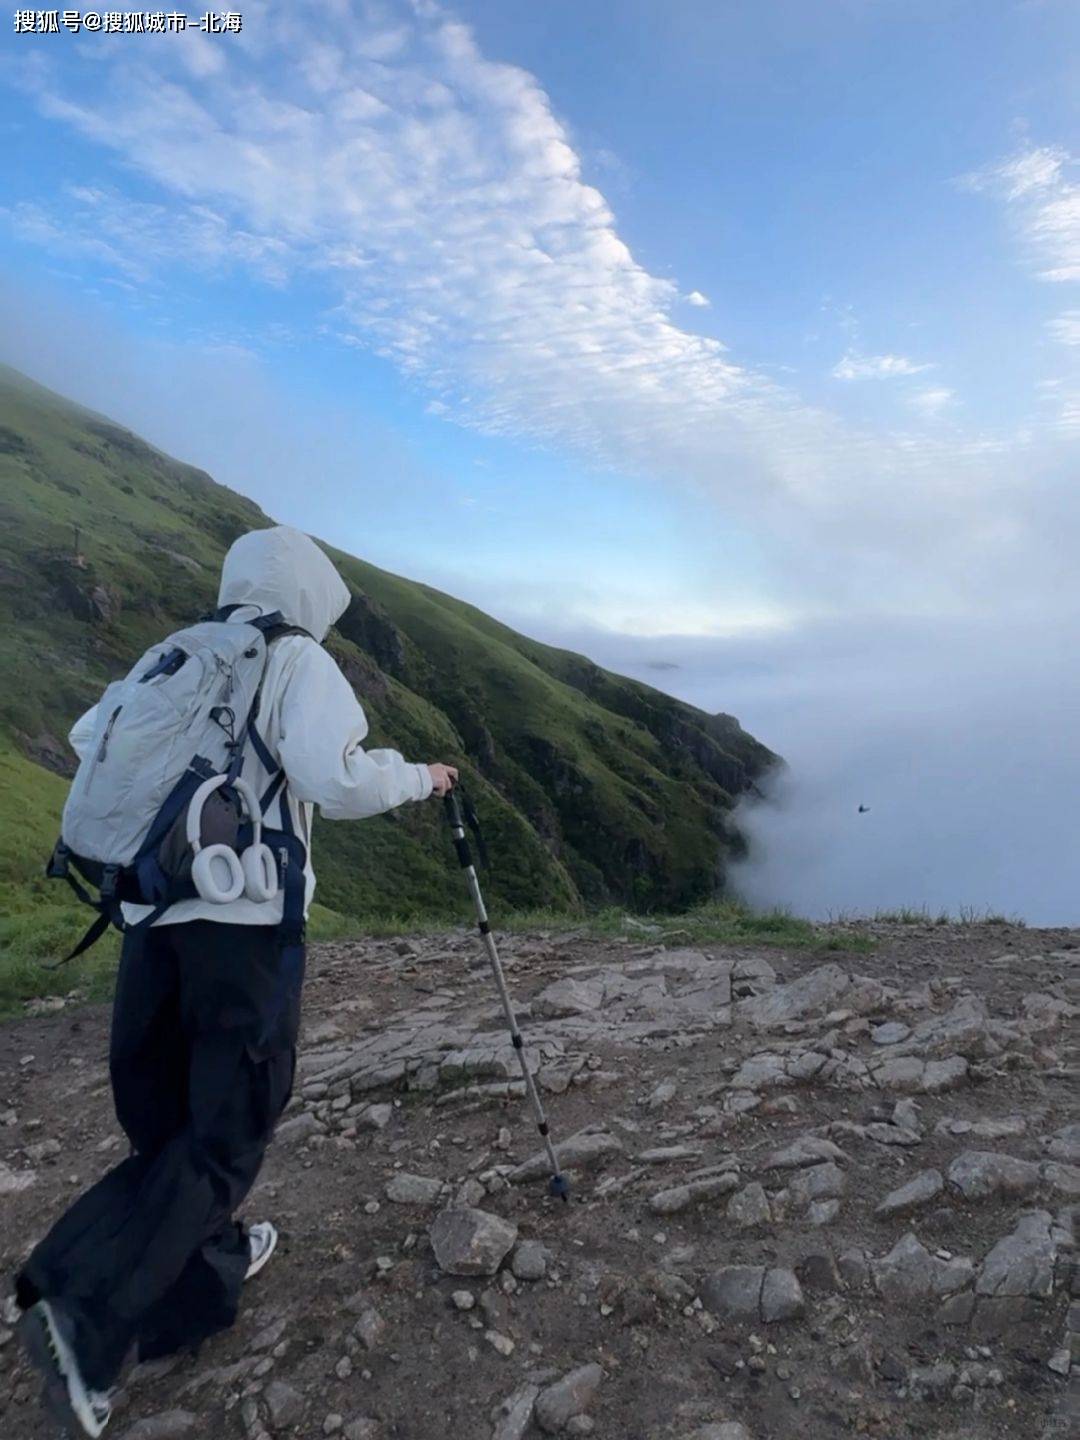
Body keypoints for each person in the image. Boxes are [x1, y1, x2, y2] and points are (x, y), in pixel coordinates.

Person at [15, 526, 458, 1437]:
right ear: (308, 595)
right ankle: (81, 1315)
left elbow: (87, 735)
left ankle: (202, 1273)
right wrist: (421, 777)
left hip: (149, 927)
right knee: (224, 1136)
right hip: (242, 932)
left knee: (169, 1130)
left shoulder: (174, 653)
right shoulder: (295, 661)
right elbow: (333, 782)